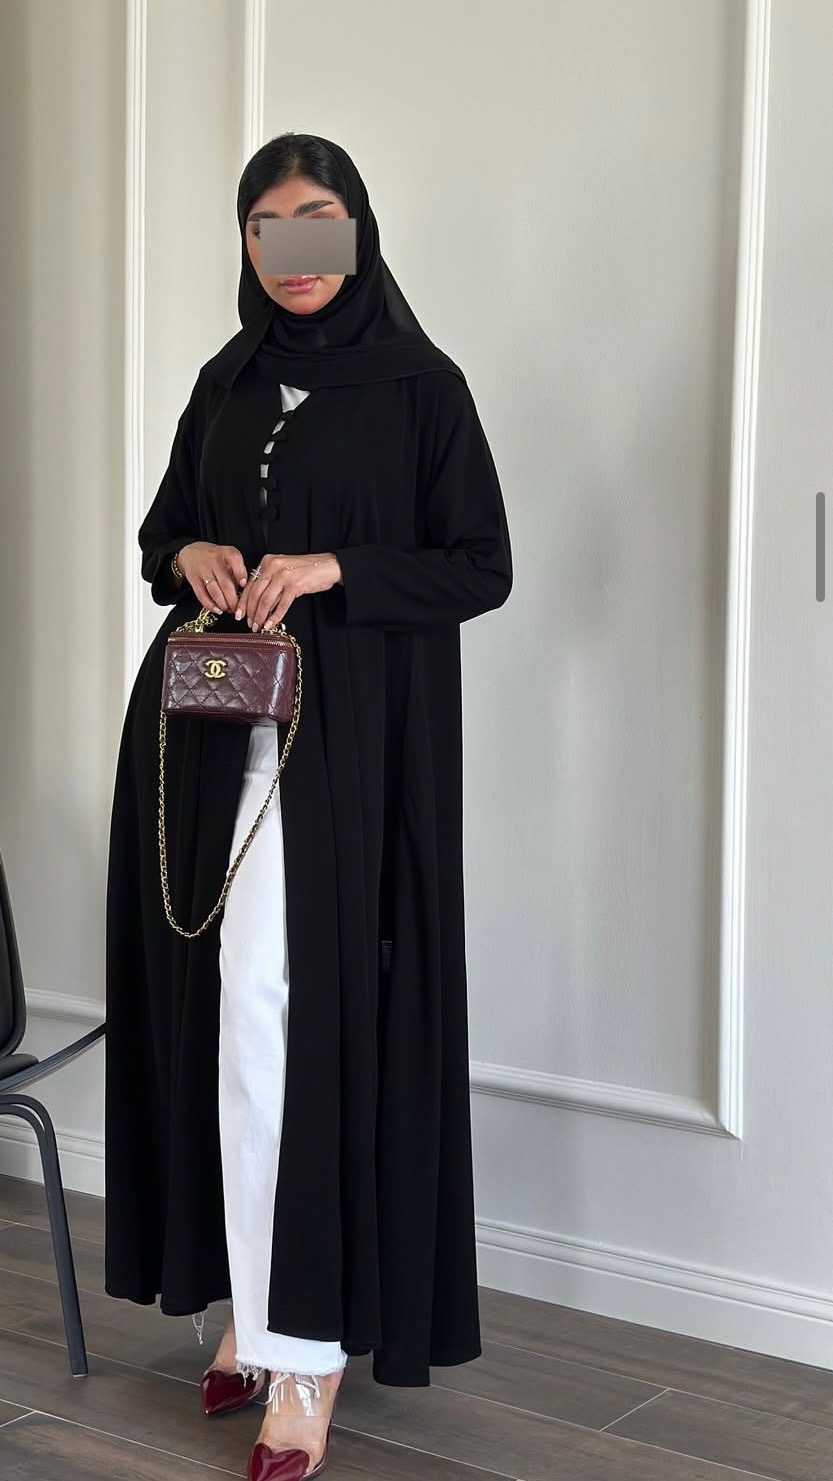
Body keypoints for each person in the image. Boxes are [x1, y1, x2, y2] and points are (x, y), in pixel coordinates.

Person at [103, 131, 512, 1481]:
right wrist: (192, 551)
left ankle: (306, 1344)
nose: (294, 252)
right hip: (204, 736)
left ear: (357, 230)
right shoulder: (225, 381)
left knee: (280, 1008)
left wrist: (338, 566)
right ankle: (245, 1294)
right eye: (266, 226)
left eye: (318, 221)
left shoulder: (423, 389)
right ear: (245, 242)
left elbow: (482, 566)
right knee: (218, 1012)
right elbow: (158, 533)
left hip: (346, 757)